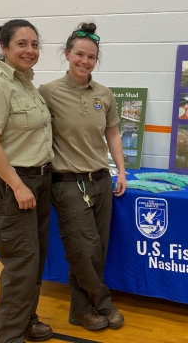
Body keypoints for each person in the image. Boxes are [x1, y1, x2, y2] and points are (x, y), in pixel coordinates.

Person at [38, 22, 127, 332]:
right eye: (79, 54)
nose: (84, 61)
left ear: (96, 60)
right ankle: (102, 302)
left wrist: (121, 171)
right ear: (67, 54)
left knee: (96, 251)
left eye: (91, 57)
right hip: (66, 183)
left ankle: (79, 311)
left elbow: (113, 133)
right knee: (83, 249)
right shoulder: (47, 92)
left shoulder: (104, 94)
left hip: (101, 180)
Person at [0, 19, 54, 343]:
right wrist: (18, 185)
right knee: (21, 264)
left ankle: (26, 320)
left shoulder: (26, 83)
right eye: (22, 44)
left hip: (39, 182)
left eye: (34, 44)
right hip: (14, 186)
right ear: (4, 47)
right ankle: (8, 337)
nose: (30, 50)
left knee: (34, 261)